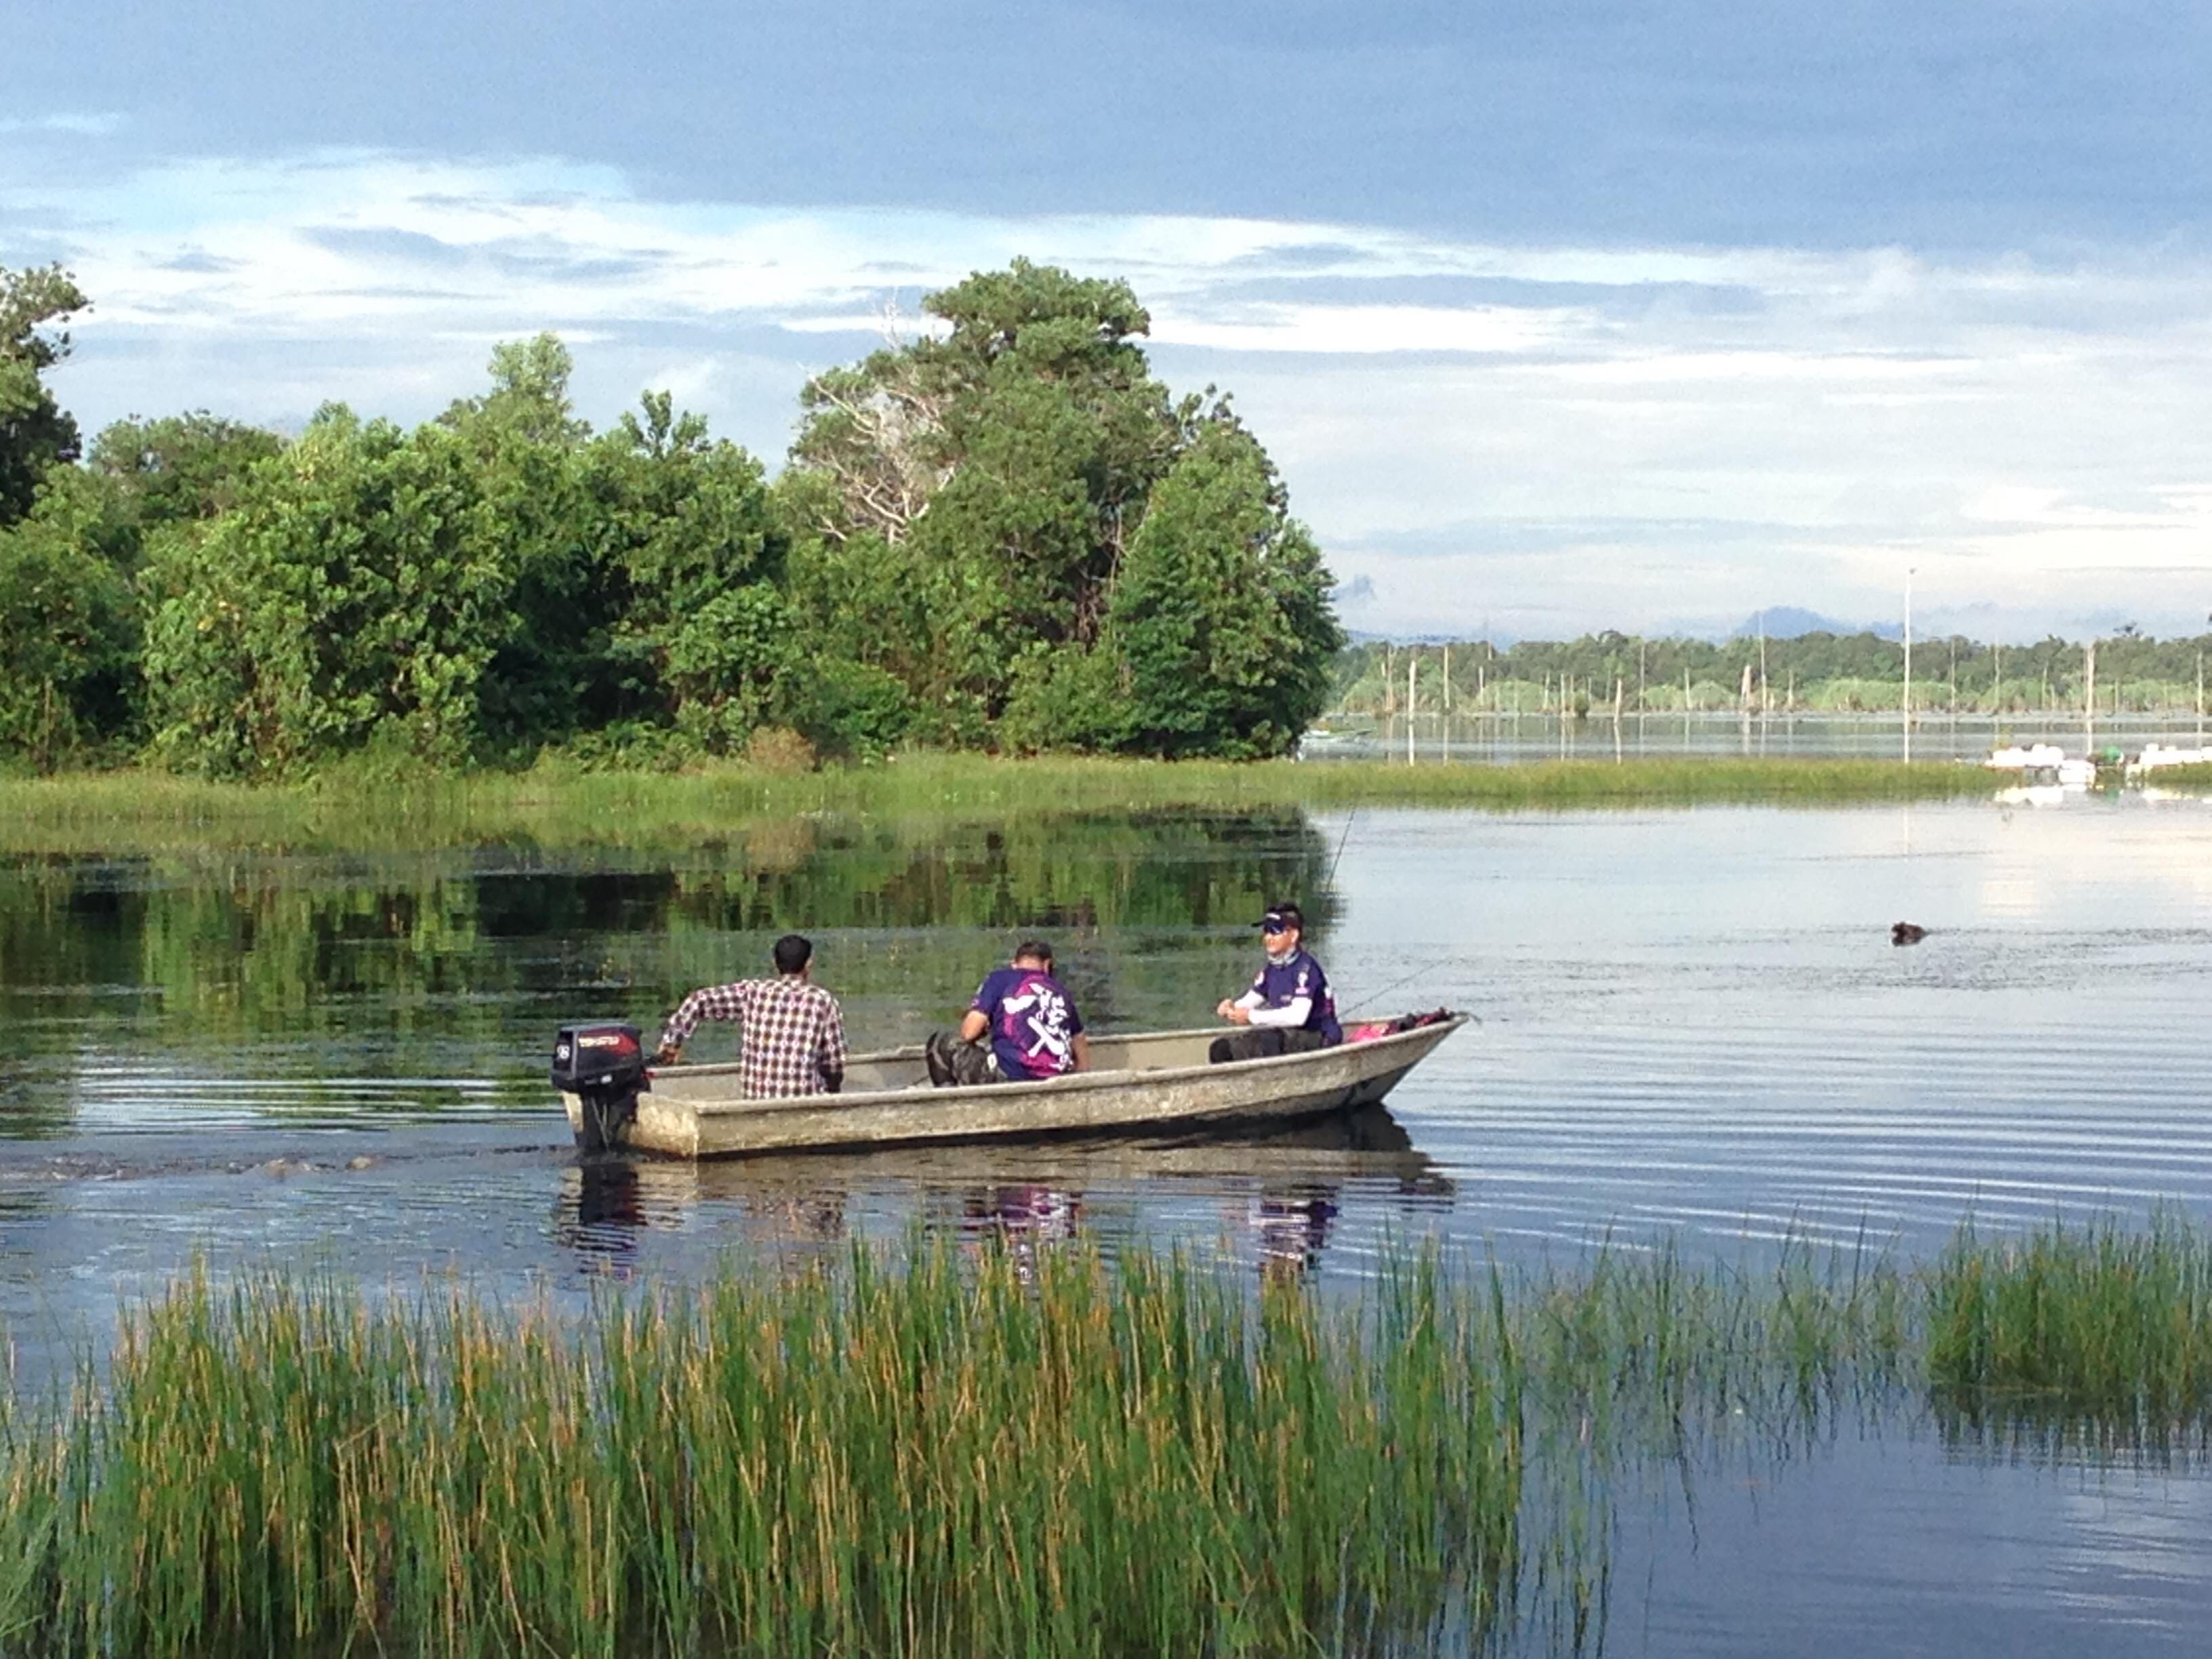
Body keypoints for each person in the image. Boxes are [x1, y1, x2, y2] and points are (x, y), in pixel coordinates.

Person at [653, 933, 846, 1097]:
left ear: (775, 964)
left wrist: (672, 1042)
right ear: (809, 965)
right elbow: (834, 1064)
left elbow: (698, 1000)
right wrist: (833, 1091)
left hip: (756, 1097)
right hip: (804, 1099)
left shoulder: (753, 993)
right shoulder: (822, 1001)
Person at [927, 940, 1090, 1086]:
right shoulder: (1061, 991)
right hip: (1056, 1078)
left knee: (941, 1042)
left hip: (1008, 1077)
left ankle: (950, 1100)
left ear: (1014, 965)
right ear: (1047, 965)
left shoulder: (998, 979)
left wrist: (983, 1029)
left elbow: (968, 1034)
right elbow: (1080, 1047)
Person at [1210, 902, 1341, 1063]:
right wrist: (1230, 1008)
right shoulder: (1271, 970)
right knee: (1220, 1048)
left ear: (1293, 936)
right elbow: (1251, 999)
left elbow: (1298, 1017)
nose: (1268, 938)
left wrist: (1251, 1016)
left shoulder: (1306, 969)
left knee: (1268, 1040)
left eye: (1275, 931)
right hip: (1286, 1036)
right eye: (1266, 931)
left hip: (1319, 1038)